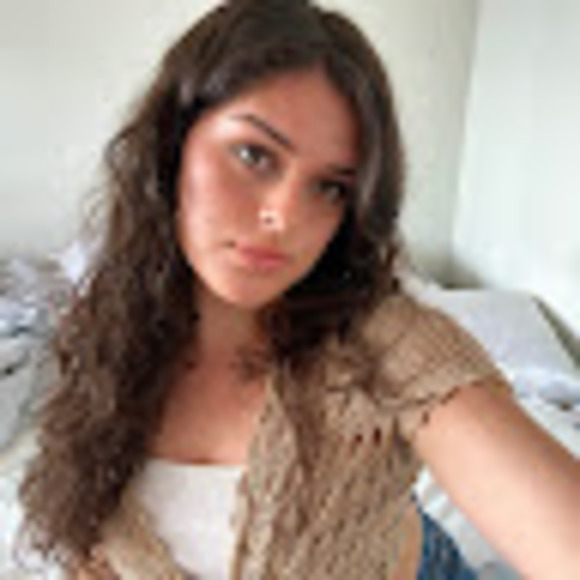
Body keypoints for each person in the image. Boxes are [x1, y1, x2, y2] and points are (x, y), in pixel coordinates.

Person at [15, 0, 580, 578]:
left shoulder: (386, 347)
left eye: (330, 188)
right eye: (254, 155)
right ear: (172, 142)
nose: (283, 217)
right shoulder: (104, 332)